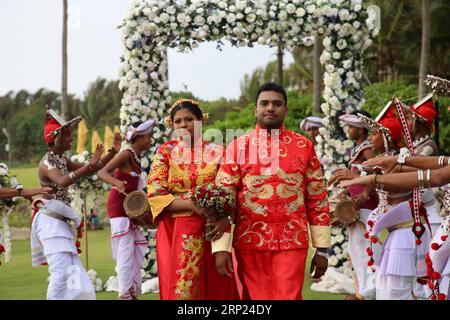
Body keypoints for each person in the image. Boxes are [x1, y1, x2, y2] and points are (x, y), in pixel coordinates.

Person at [214, 83, 330, 300]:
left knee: (288, 296)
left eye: (277, 104)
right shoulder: (238, 147)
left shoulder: (304, 146)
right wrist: (220, 247)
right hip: (249, 243)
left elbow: (317, 199)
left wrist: (322, 249)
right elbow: (222, 198)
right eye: (264, 103)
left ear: (285, 110)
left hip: (292, 242)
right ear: (255, 110)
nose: (270, 108)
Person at [146, 99, 237, 300]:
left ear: (200, 122)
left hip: (213, 229)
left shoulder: (219, 152)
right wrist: (191, 205)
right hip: (175, 231)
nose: (183, 125)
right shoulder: (165, 152)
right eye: (177, 121)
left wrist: (223, 233)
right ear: (172, 126)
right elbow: (156, 194)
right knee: (181, 289)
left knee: (218, 287)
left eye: (189, 119)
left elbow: (229, 195)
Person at [31, 108, 121, 300]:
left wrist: (112, 152)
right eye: (67, 135)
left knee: (75, 276)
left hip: (59, 223)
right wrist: (90, 165)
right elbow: (62, 181)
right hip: (50, 225)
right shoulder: (47, 162)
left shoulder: (62, 159)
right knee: (61, 274)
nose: (71, 139)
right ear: (55, 139)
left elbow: (92, 168)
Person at [353, 100, 431, 300]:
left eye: (374, 134)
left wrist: (361, 177)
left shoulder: (398, 164)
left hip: (406, 236)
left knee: (397, 294)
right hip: (397, 236)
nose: (370, 138)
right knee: (385, 291)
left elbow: (390, 181)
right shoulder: (389, 162)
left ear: (386, 136)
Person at [98, 119, 155, 300]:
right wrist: (116, 183)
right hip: (119, 209)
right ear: (138, 138)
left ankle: (132, 293)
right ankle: (124, 295)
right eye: (148, 137)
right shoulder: (125, 154)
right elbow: (101, 173)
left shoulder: (136, 158)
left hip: (130, 211)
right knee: (125, 255)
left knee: (134, 254)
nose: (150, 140)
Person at [329, 111, 380, 300]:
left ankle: (368, 291)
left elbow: (377, 176)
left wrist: (363, 194)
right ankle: (364, 289)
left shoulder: (367, 150)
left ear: (360, 129)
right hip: (356, 206)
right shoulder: (359, 149)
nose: (348, 130)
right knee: (356, 248)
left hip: (365, 206)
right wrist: (346, 192)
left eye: (351, 127)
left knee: (363, 247)